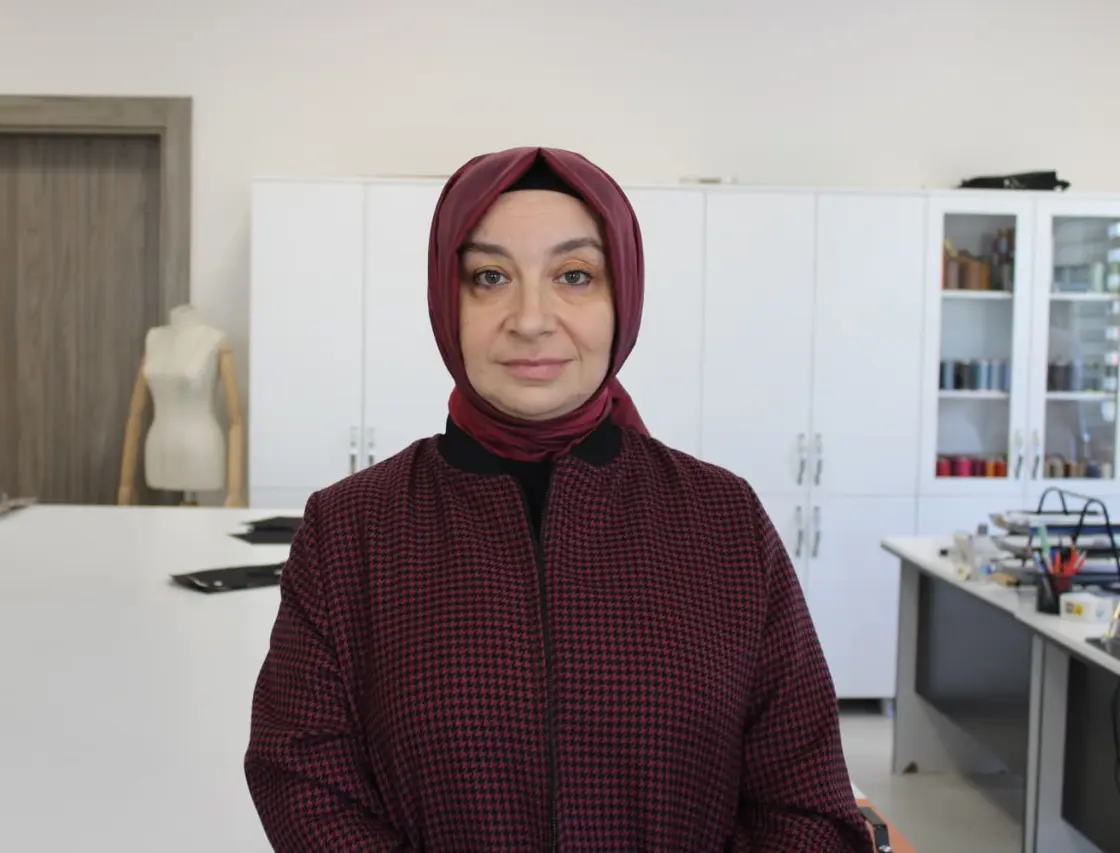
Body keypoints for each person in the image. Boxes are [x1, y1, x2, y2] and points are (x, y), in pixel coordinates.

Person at [245, 146, 868, 851]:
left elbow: (805, 802)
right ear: (446, 301)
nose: (531, 319)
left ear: (622, 297)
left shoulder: (723, 519)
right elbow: (301, 778)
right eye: (489, 277)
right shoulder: (352, 527)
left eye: (574, 275)